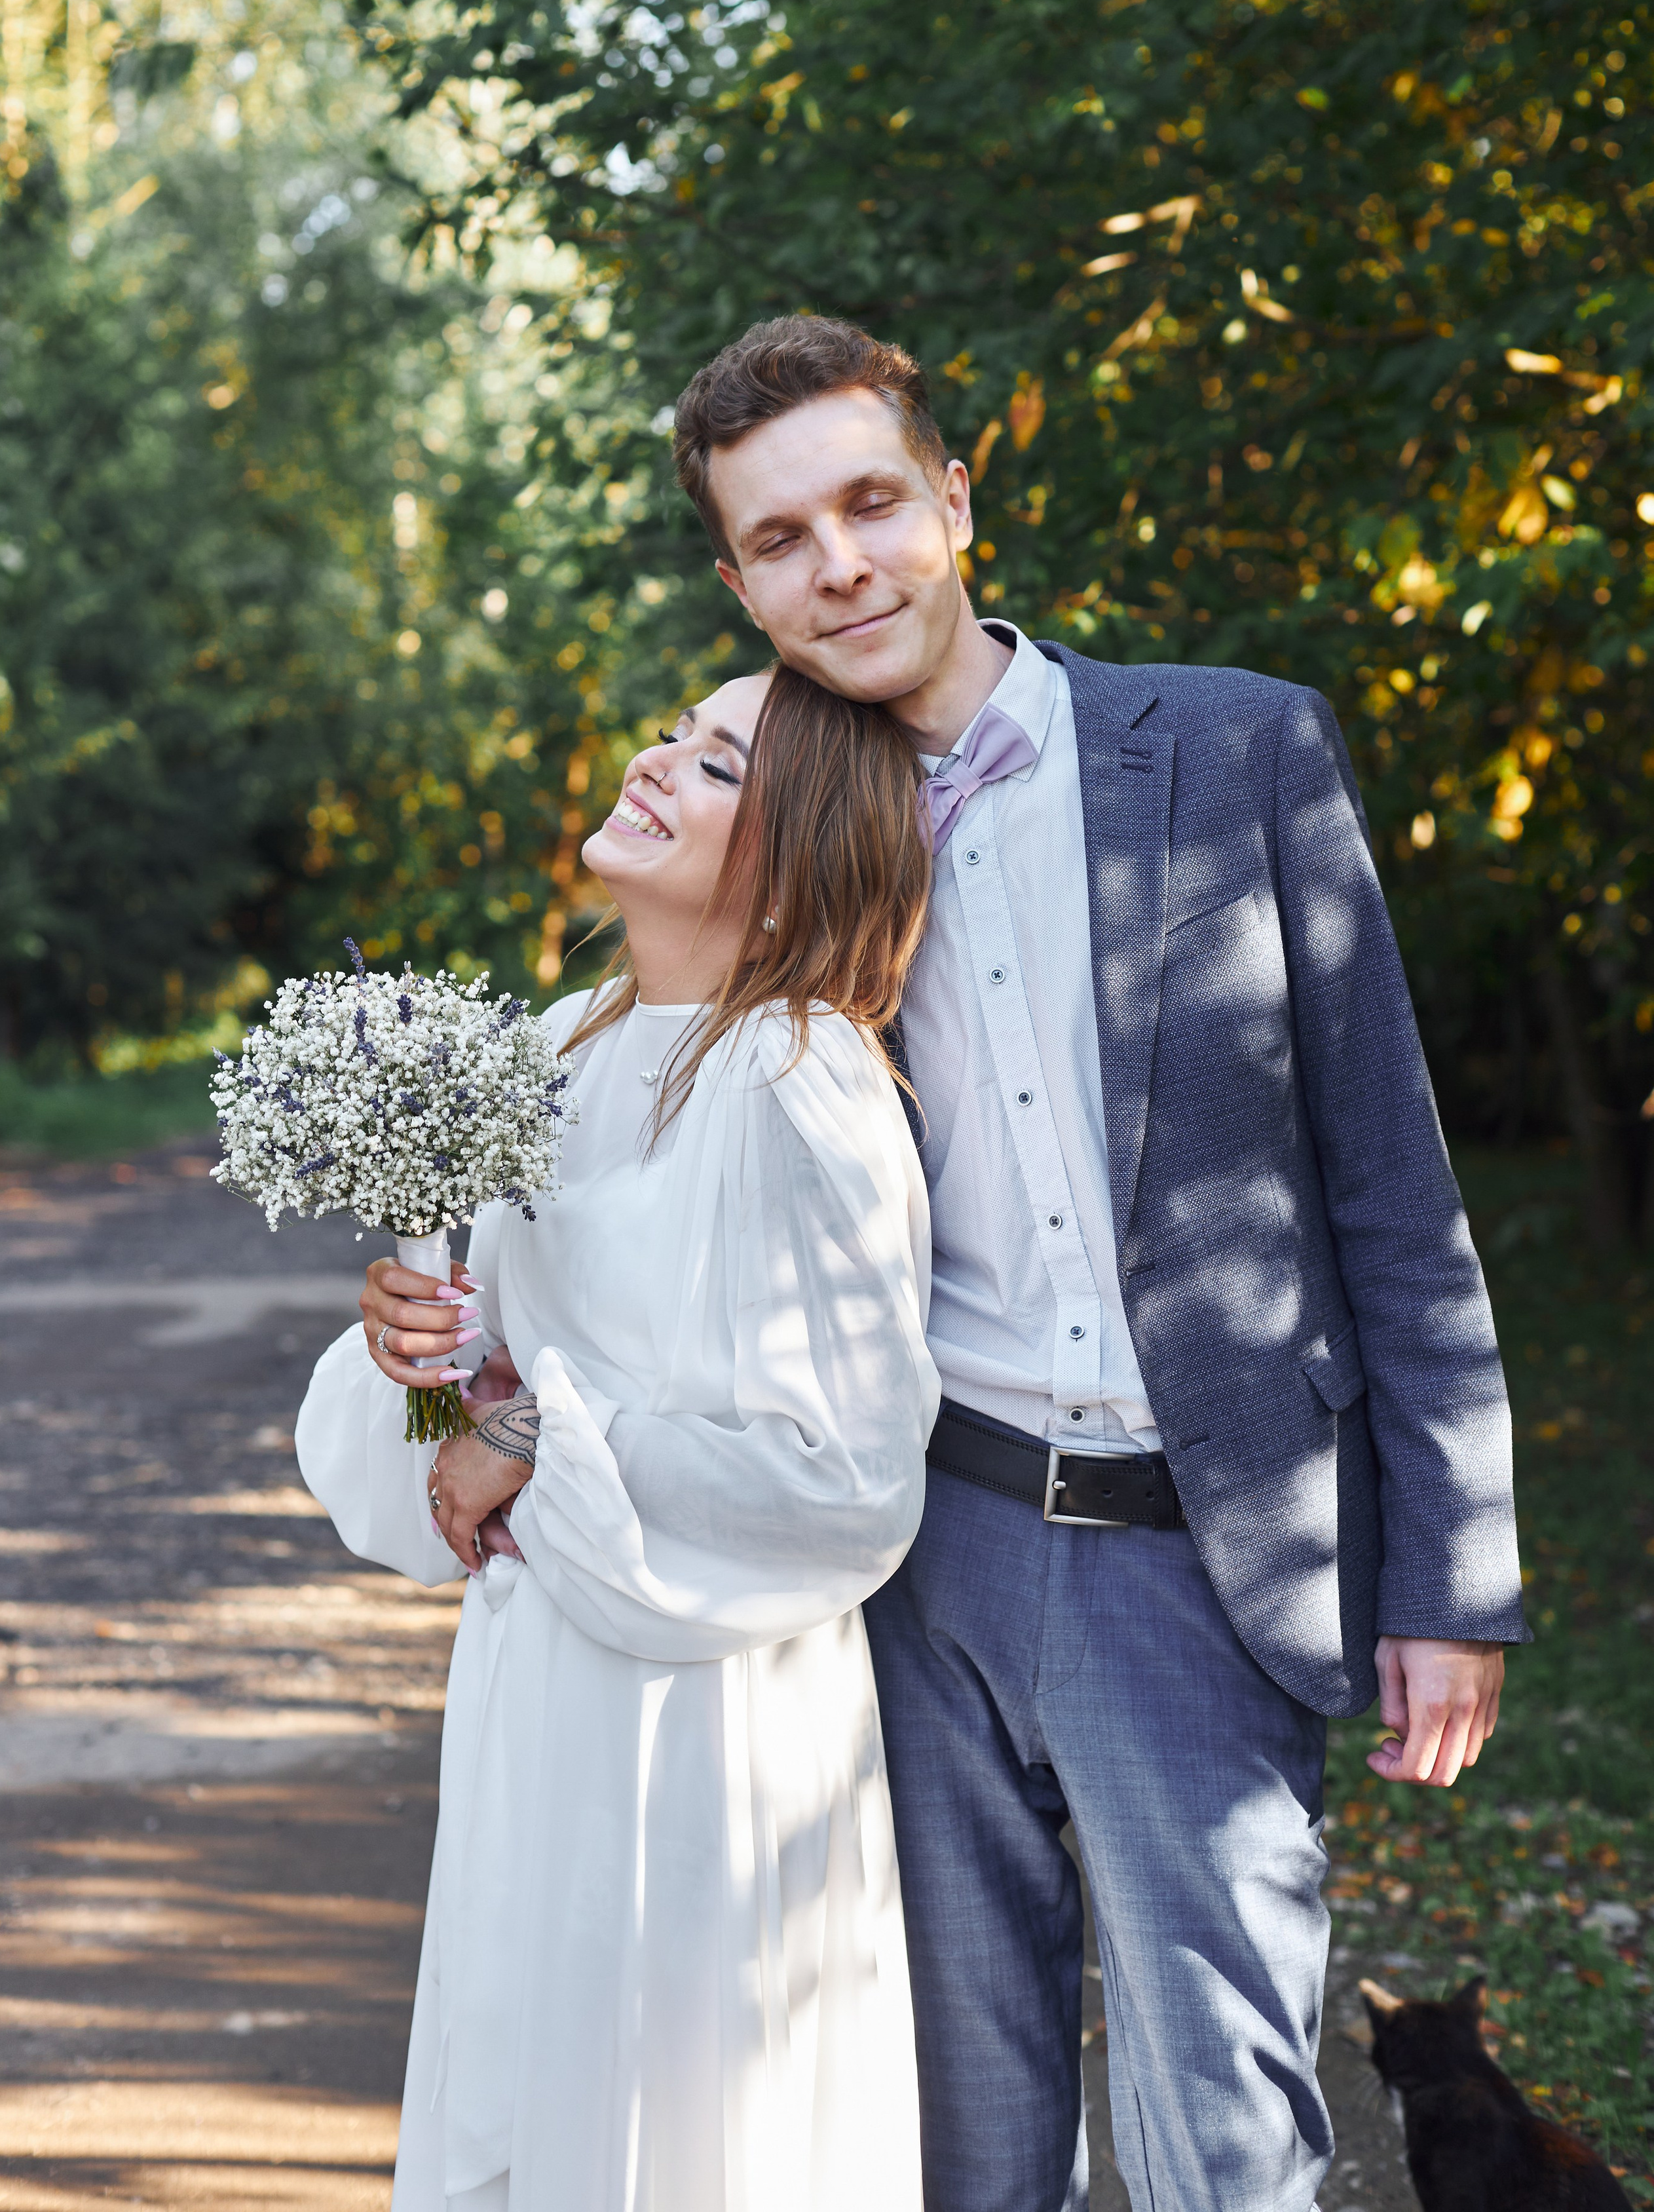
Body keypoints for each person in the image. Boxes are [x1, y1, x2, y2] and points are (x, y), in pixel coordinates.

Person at [665, 315, 1526, 2211]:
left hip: (1200, 1554)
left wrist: (1454, 1568)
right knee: (963, 2130)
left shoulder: (1235, 747)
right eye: (783, 541)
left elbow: (1392, 1181)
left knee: (1224, 2123)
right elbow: (681, 1162)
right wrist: (478, 1360)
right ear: (739, 583)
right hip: (915, 1551)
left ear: (956, 496)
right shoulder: (771, 838)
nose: (843, 567)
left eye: (873, 504)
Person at [307, 663, 941, 2212]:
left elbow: (847, 1482)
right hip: (539, 1687)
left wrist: (525, 1429)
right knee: (520, 2109)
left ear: (795, 857)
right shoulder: (562, 1048)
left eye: (719, 766)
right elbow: (481, 1390)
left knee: (674, 2139)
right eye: (679, 733)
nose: (660, 760)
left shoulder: (803, 1083)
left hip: (706, 1733)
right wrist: (419, 1352)